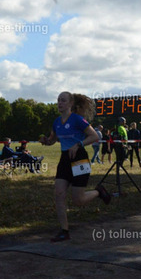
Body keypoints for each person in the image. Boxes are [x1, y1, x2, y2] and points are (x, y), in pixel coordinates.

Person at [39, 91, 110, 242]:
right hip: (65, 159)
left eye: (63, 100)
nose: (60, 103)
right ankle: (64, 231)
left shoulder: (77, 119)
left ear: (71, 104)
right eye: (58, 100)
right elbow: (52, 140)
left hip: (80, 159)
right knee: (59, 194)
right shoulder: (57, 122)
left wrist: (78, 145)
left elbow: (94, 136)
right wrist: (46, 141)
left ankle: (99, 191)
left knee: (79, 200)